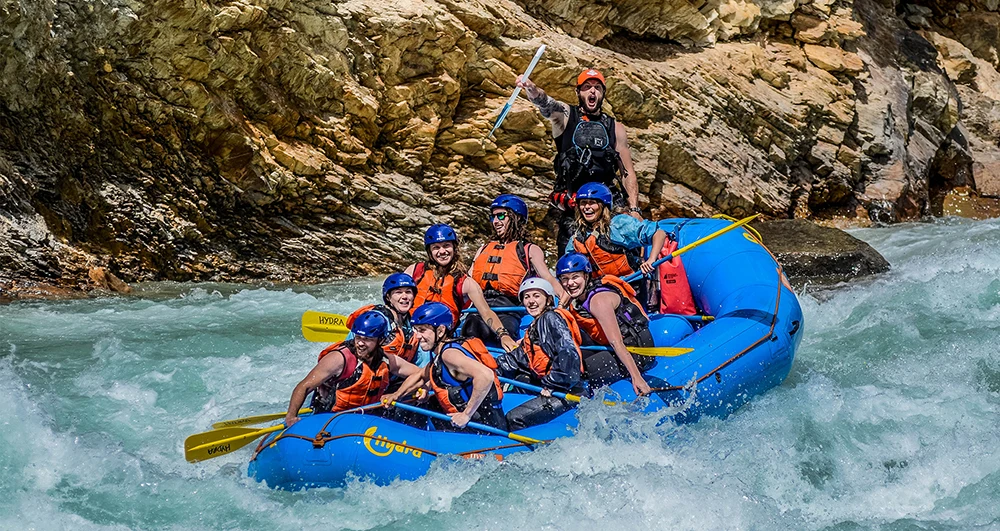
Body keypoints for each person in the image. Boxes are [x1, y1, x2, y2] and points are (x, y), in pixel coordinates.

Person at [516, 67, 643, 252]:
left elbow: (627, 172)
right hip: (572, 204)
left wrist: (634, 209)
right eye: (587, 87)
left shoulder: (616, 128)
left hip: (606, 204)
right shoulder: (565, 116)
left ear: (603, 93)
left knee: (622, 252)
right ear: (578, 92)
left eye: (597, 87)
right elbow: (545, 103)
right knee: (571, 258)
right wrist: (530, 88)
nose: (592, 91)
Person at [383, 302, 508, 431]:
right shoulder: (441, 351)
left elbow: (485, 375)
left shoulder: (449, 354)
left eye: (422, 330)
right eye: (416, 330)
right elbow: (421, 376)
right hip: (477, 420)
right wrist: (396, 395)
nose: (417, 336)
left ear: (441, 330)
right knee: (427, 402)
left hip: (484, 425)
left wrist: (466, 414)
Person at [284, 311, 422, 427]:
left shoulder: (387, 360)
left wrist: (404, 392)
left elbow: (419, 374)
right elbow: (304, 386)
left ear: (380, 340)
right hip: (332, 419)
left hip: (367, 420)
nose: (360, 343)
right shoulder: (339, 359)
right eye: (358, 337)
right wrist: (291, 416)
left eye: (367, 339)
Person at [464, 194, 567, 345]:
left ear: (516, 218)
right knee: (470, 328)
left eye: (501, 216)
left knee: (506, 332)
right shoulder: (483, 249)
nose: (496, 221)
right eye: (493, 217)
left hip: (509, 310)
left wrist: (564, 301)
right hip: (479, 308)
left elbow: (548, 278)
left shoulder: (529, 250)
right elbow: (466, 281)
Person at [405, 224, 519, 353]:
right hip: (412, 336)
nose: (442, 251)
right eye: (436, 247)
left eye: (446, 246)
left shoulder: (466, 283)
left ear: (454, 248)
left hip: (439, 342)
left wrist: (503, 335)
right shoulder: (414, 272)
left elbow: (486, 312)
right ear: (430, 251)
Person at [556, 253, 653, 396]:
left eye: (575, 277)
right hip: (611, 346)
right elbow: (568, 291)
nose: (570, 283)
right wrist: (560, 306)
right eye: (564, 279)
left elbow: (617, 343)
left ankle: (577, 397)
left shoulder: (598, 301)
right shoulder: (581, 294)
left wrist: (636, 377)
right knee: (565, 357)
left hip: (636, 352)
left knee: (578, 369)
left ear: (586, 276)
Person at [496, 278, 585, 430]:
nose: (531, 301)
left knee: (514, 418)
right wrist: (491, 369)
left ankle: (521, 445)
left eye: (536, 296)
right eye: (527, 297)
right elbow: (518, 357)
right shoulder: (535, 326)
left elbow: (568, 353)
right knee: (518, 382)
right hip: (550, 384)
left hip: (566, 389)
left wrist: (552, 383)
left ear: (548, 299)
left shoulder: (551, 318)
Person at [568, 182, 668, 279]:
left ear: (603, 205)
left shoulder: (619, 223)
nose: (586, 207)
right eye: (583, 203)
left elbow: (659, 233)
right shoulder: (577, 235)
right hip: (598, 286)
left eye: (592, 203)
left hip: (629, 283)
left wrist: (651, 259)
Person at [345, 272, 421, 365]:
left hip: (398, 371)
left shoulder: (413, 325)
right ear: (388, 297)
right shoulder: (374, 320)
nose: (404, 296)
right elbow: (350, 351)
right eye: (398, 292)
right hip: (368, 371)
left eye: (408, 292)